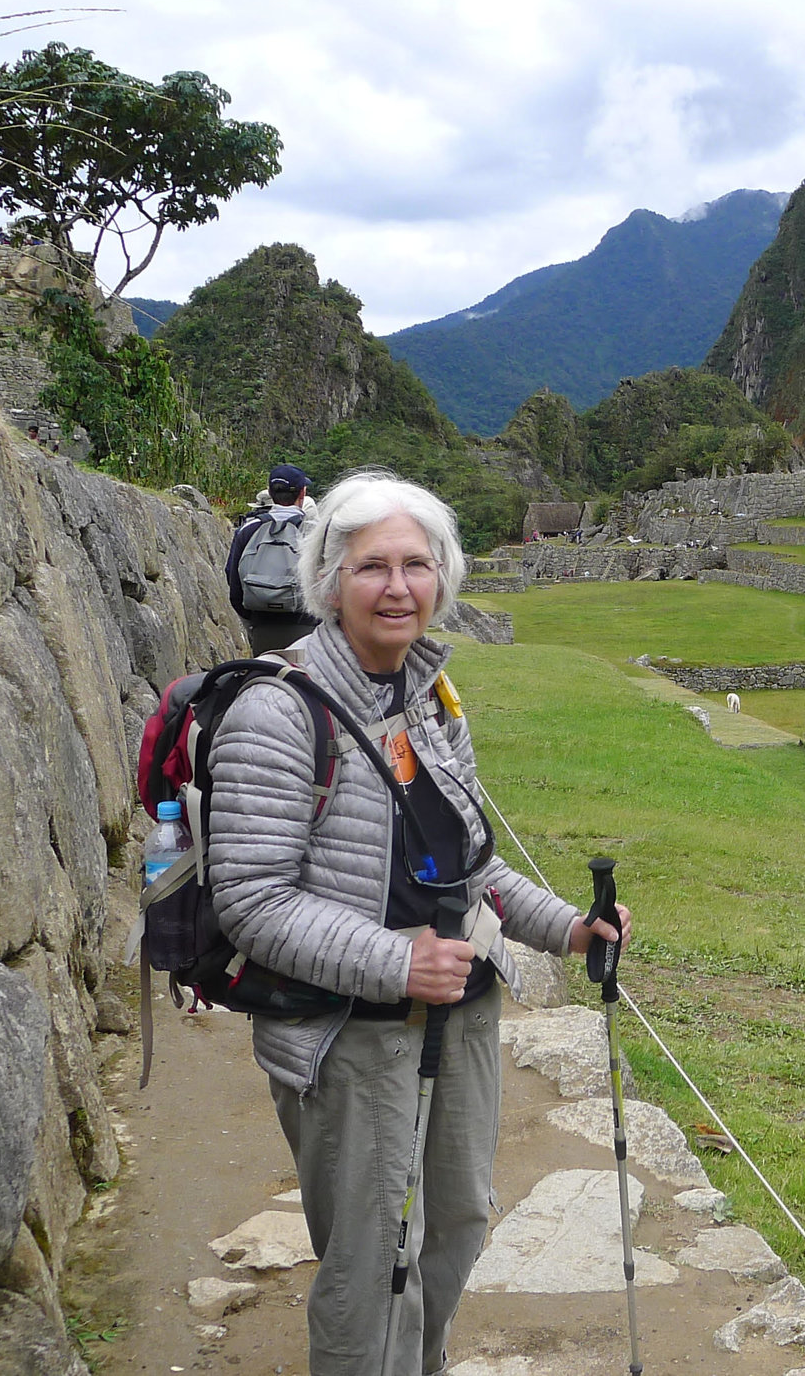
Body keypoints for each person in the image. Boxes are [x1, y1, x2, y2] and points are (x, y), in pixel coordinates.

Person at [207, 471, 630, 1375]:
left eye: (416, 564)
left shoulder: (427, 697)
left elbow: (472, 863)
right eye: (372, 568)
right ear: (328, 581)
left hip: (460, 1017)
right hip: (352, 1041)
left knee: (456, 1229)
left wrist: (568, 929)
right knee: (371, 1265)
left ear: (443, 578)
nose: (397, 586)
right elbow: (250, 899)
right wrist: (396, 963)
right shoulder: (275, 715)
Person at [228, 465, 320, 655]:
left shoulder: (248, 529)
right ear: (302, 493)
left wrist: (255, 617)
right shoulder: (317, 533)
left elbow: (233, 581)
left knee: (267, 679)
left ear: (270, 492)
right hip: (308, 628)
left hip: (262, 627)